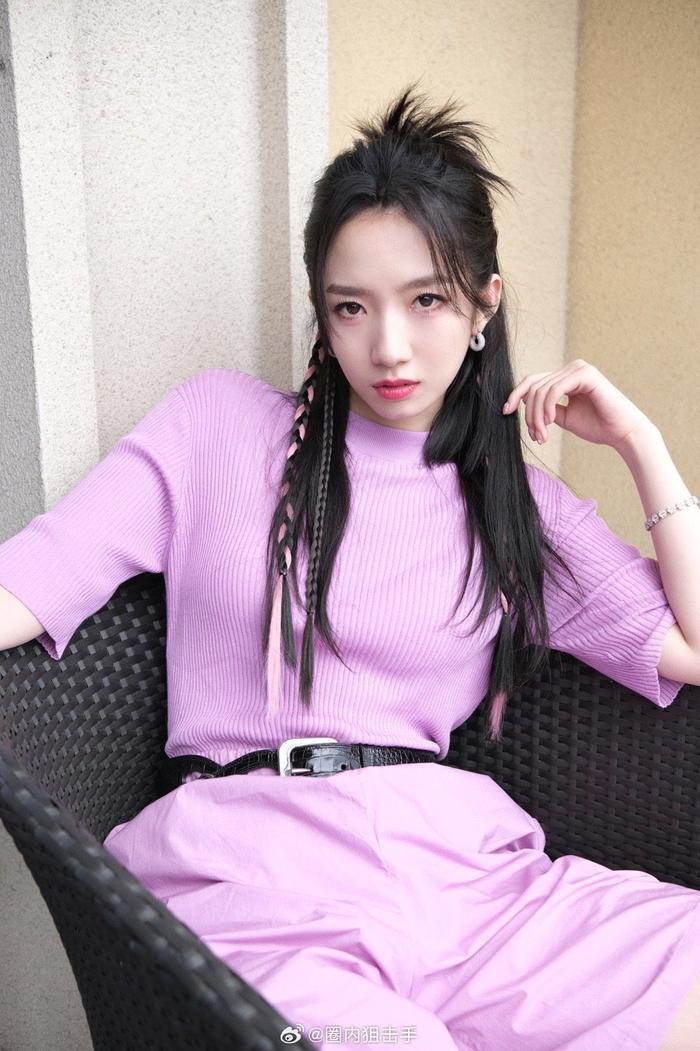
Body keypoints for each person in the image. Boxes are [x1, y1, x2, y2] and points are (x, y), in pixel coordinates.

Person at [0, 84, 699, 1051]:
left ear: (484, 303)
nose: (389, 347)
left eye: (427, 299)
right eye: (351, 307)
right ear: (322, 316)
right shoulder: (219, 428)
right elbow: (33, 581)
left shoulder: (514, 504)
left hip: (466, 888)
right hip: (252, 880)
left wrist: (640, 443)